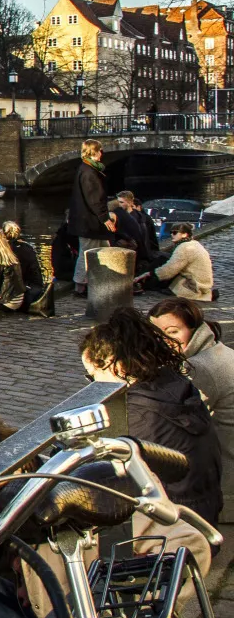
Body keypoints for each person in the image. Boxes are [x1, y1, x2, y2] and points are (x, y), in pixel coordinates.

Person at [0, 413, 213, 618]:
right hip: (38, 605)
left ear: (17, 470)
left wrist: (114, 601)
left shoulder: (89, 494)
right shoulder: (24, 487)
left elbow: (190, 544)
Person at [80, 308, 223, 525]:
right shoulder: (173, 385)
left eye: (92, 376)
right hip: (201, 513)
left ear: (114, 363)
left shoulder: (136, 413)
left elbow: (105, 478)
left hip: (172, 529)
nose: (93, 385)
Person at [150, 297, 234, 520]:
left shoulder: (198, 368)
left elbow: (178, 427)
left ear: (193, 329)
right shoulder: (218, 351)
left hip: (225, 488)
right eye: (157, 334)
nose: (164, 340)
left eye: (173, 332)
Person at [67, 138, 116, 293]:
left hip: (90, 221)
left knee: (105, 249)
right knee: (87, 252)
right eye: (100, 150)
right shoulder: (88, 172)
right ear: (95, 151)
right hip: (89, 222)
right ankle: (80, 285)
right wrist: (105, 218)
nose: (102, 153)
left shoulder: (89, 169)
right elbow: (94, 198)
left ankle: (104, 280)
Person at [137, 222, 214, 301]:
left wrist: (150, 273)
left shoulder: (185, 248)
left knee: (161, 262)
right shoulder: (194, 244)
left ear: (184, 234)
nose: (172, 235)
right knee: (163, 259)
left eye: (175, 233)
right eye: (171, 232)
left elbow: (170, 269)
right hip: (202, 283)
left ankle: (138, 282)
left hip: (194, 284)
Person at [2, 221, 43, 291]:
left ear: (4, 233)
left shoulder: (4, 249)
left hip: (16, 288)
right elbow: (35, 270)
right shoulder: (28, 247)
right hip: (32, 285)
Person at [50, 220, 78, 286]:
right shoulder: (61, 244)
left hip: (63, 270)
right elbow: (60, 263)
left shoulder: (60, 240)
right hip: (63, 273)